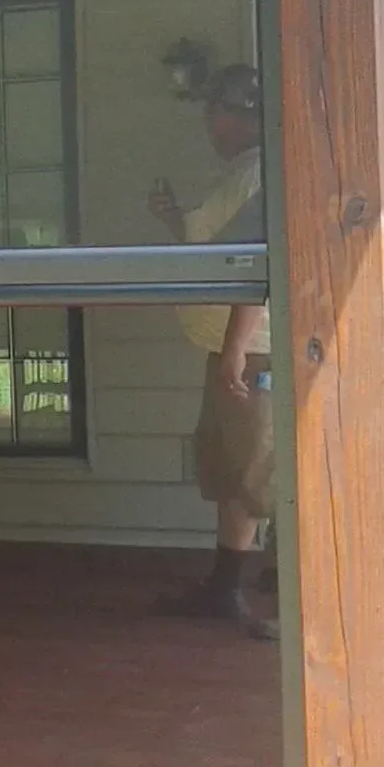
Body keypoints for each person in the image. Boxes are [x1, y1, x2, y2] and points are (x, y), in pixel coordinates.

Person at [148, 65, 277, 641]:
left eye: (215, 112)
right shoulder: (241, 175)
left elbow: (254, 272)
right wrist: (175, 222)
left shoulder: (262, 178)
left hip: (255, 353)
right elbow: (214, 253)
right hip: (228, 347)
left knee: (259, 476)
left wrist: (235, 352)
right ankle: (224, 591)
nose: (209, 123)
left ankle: (294, 602)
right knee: (231, 473)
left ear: (241, 116)